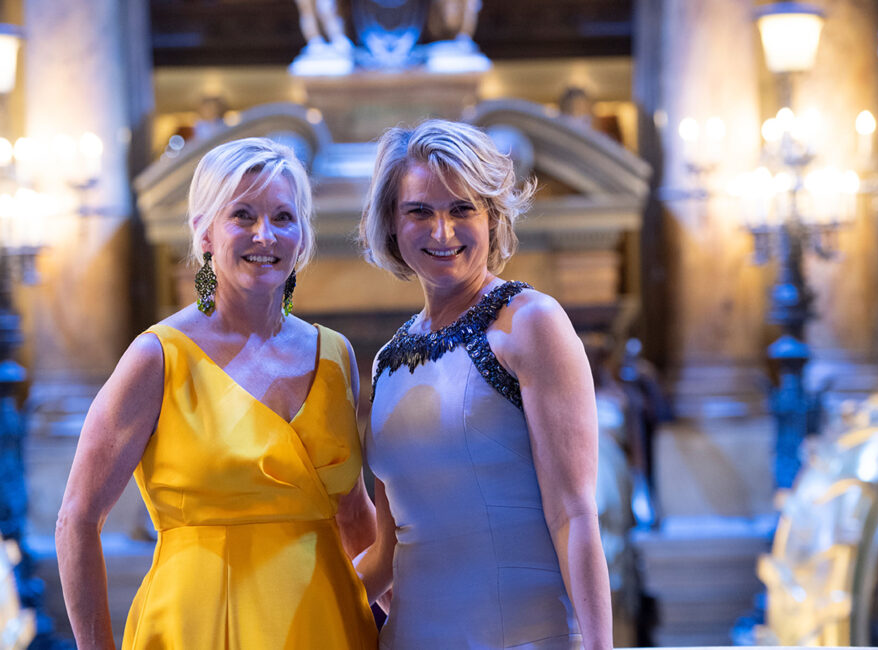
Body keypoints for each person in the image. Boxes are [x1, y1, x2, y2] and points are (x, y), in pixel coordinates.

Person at [55, 137, 378, 649]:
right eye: (243, 215)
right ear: (203, 232)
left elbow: (355, 515)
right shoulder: (157, 357)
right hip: (198, 627)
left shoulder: (336, 355)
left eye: (283, 217)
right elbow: (76, 518)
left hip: (329, 625)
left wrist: (405, 618)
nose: (264, 234)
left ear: (303, 235)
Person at [356, 119, 613, 649]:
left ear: (493, 218)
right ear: (391, 224)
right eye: (420, 211)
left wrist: (599, 646)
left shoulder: (532, 322)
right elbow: (387, 554)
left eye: (462, 209)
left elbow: (574, 514)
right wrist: (279, 605)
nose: (442, 231)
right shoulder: (385, 362)